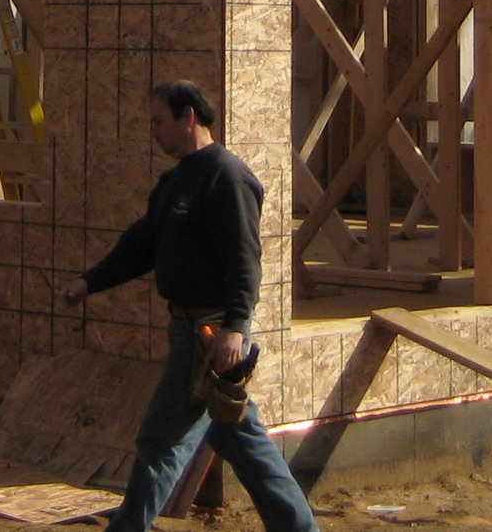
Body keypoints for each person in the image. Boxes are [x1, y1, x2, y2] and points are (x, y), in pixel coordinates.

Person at [60, 82, 319, 532]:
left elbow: (245, 262)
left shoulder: (226, 178)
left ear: (189, 117)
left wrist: (235, 329)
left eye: (159, 121)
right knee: (241, 439)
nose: (154, 133)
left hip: (209, 334)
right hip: (190, 328)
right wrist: (90, 282)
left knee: (161, 441)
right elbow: (141, 245)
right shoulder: (176, 181)